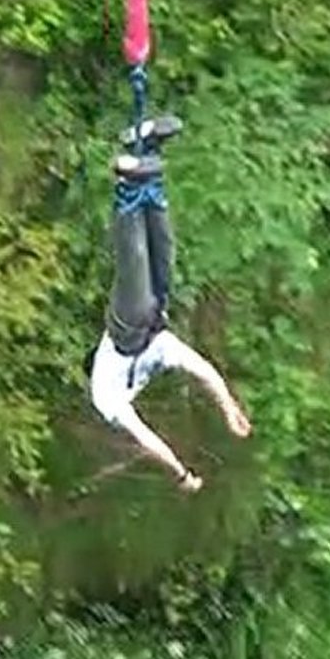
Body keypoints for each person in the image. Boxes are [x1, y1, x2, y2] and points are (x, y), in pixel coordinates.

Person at [86, 119, 251, 493]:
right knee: (165, 249)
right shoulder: (162, 352)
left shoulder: (107, 400)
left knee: (135, 260)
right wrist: (229, 409)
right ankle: (148, 150)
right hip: (154, 318)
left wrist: (179, 473)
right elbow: (205, 372)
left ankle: (126, 183)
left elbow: (147, 439)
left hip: (126, 327)